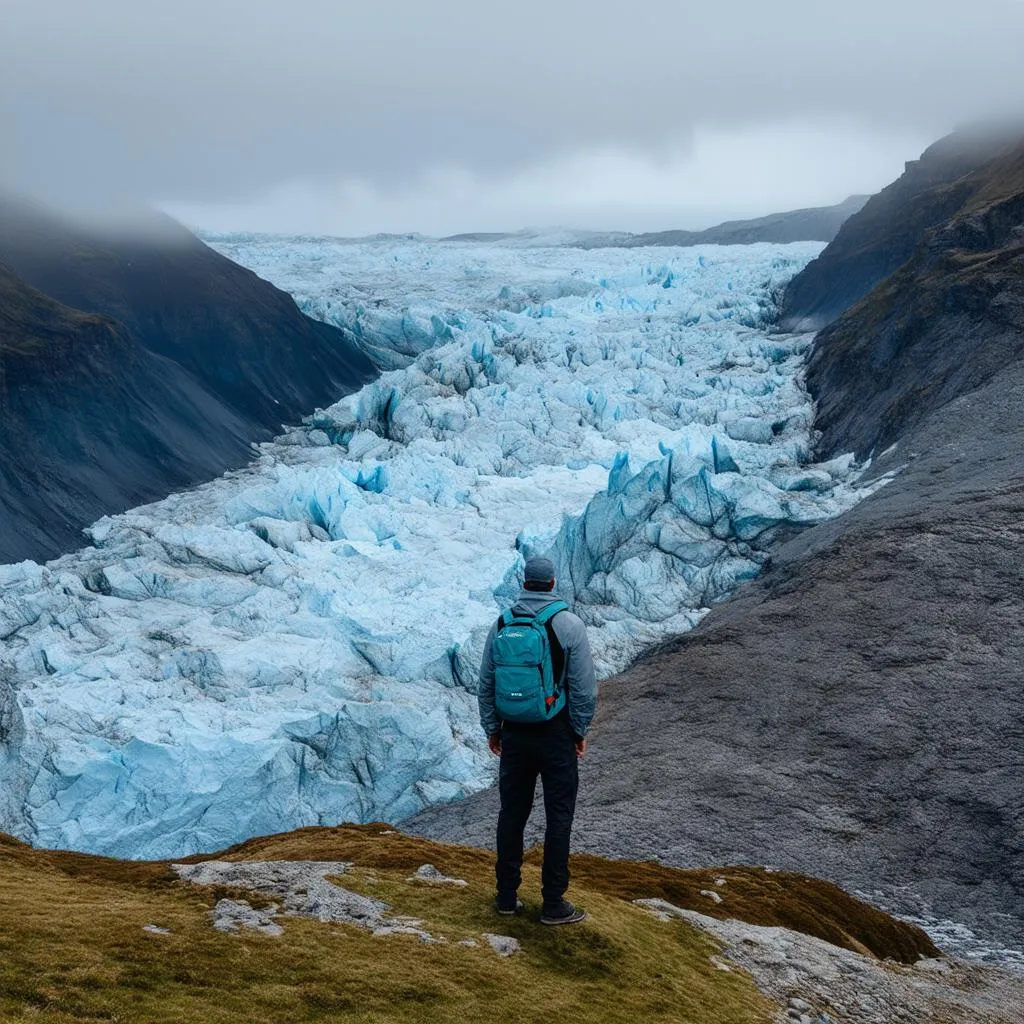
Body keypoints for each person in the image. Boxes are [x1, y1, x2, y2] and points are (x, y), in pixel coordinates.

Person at [477, 556, 598, 925]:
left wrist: (493, 729)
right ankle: (553, 903)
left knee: (511, 814)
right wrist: (578, 731)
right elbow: (583, 689)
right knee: (558, 816)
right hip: (555, 733)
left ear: (525, 582)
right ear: (553, 583)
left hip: (514, 733)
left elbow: (486, 683)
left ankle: (506, 896)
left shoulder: (502, 623)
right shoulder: (568, 624)